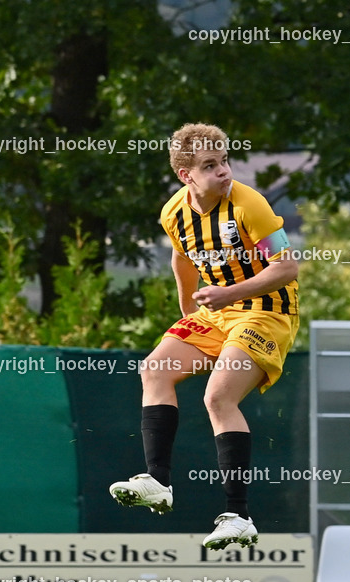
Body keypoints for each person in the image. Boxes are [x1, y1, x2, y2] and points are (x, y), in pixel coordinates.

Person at [108, 123, 299, 550]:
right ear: (186, 175)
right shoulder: (173, 212)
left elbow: (287, 268)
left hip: (267, 311)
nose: (224, 172)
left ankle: (240, 516)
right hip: (219, 312)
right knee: (155, 368)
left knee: (217, 397)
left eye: (225, 161)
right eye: (210, 166)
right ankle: (158, 481)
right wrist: (187, 310)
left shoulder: (251, 204)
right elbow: (182, 256)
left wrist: (228, 294)